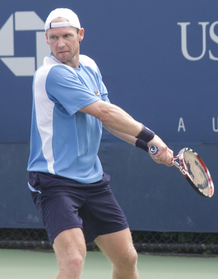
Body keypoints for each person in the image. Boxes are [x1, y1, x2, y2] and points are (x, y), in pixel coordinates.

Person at [27, 8, 174, 279]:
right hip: (54, 181)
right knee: (72, 260)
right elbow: (106, 113)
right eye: (53, 37)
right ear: (46, 39)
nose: (60, 44)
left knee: (127, 258)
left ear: (80, 35)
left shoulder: (90, 67)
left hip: (92, 181)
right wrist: (152, 136)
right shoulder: (51, 75)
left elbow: (109, 123)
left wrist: (148, 146)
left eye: (67, 36)